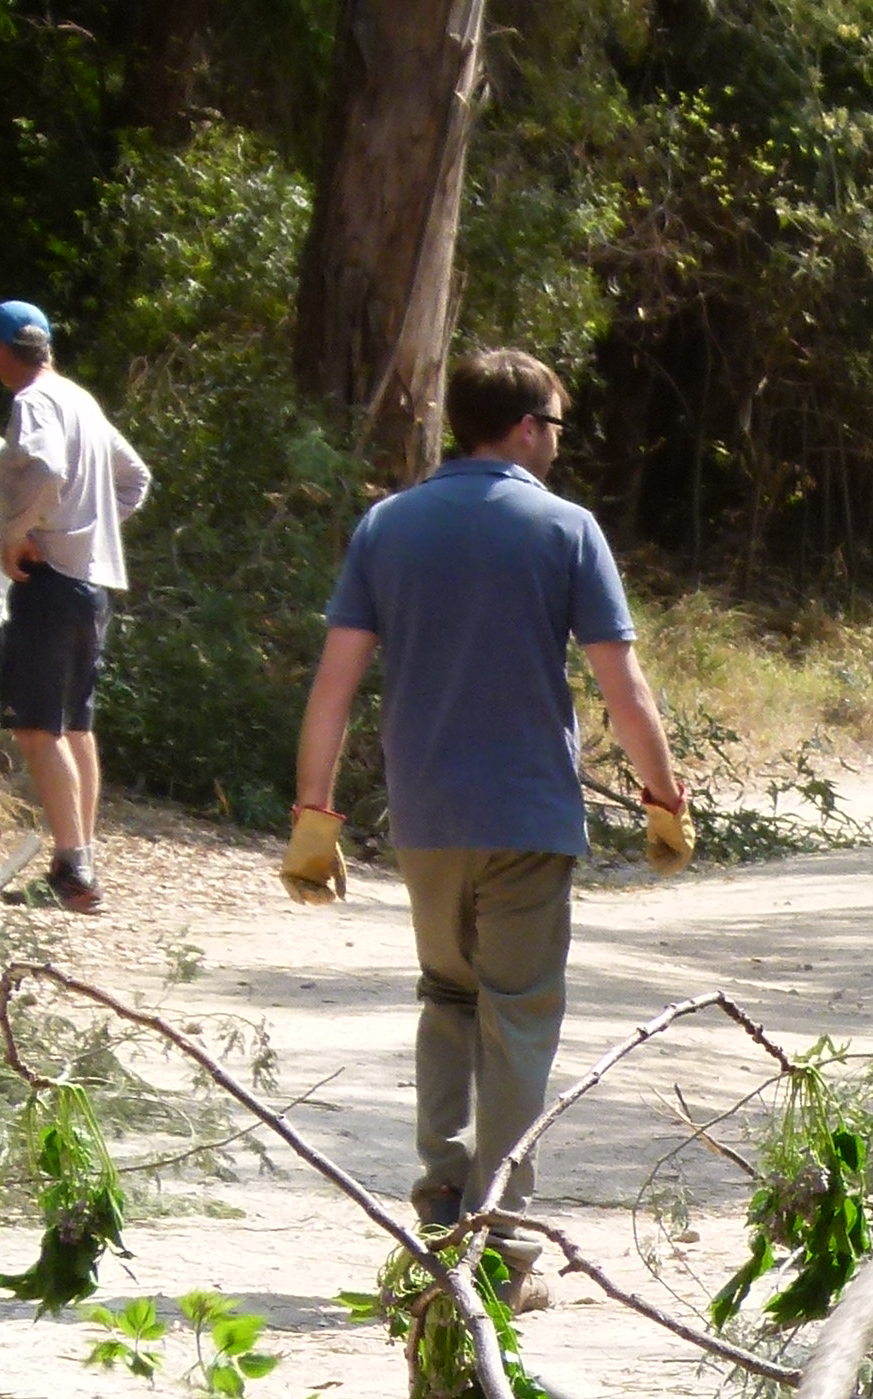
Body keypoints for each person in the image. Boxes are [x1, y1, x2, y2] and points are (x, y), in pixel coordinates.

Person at [283, 345, 694, 1280]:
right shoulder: (566, 529)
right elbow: (622, 689)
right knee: (519, 1014)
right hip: (528, 817)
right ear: (522, 427)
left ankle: (439, 1204)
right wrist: (664, 797)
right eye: (554, 424)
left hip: (426, 817)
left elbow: (335, 684)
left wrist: (315, 811)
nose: (557, 442)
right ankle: (501, 1235)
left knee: (447, 996)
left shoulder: (387, 527)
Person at [0, 300, 151, 916]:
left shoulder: (34, 401)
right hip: (93, 585)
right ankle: (78, 861)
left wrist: (20, 533)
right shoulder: (81, 400)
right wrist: (91, 531)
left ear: (3, 350)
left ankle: (74, 871)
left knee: (37, 727)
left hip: (52, 580)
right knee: (75, 726)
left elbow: (48, 469)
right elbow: (135, 478)